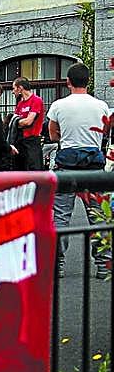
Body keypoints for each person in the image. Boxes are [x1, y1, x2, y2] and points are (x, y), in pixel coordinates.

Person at [48, 63, 111, 279]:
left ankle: (57, 265)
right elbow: (104, 133)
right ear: (88, 81)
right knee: (98, 217)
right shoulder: (101, 106)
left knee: (61, 217)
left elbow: (53, 135)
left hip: (67, 167)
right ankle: (103, 265)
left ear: (68, 82)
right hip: (94, 168)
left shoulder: (58, 105)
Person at [11, 77, 44, 170]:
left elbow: (28, 122)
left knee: (34, 171)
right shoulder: (20, 104)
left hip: (32, 142)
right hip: (21, 142)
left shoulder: (36, 100)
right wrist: (19, 122)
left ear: (20, 88)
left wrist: (17, 122)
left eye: (14, 88)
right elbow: (15, 122)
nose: (13, 92)